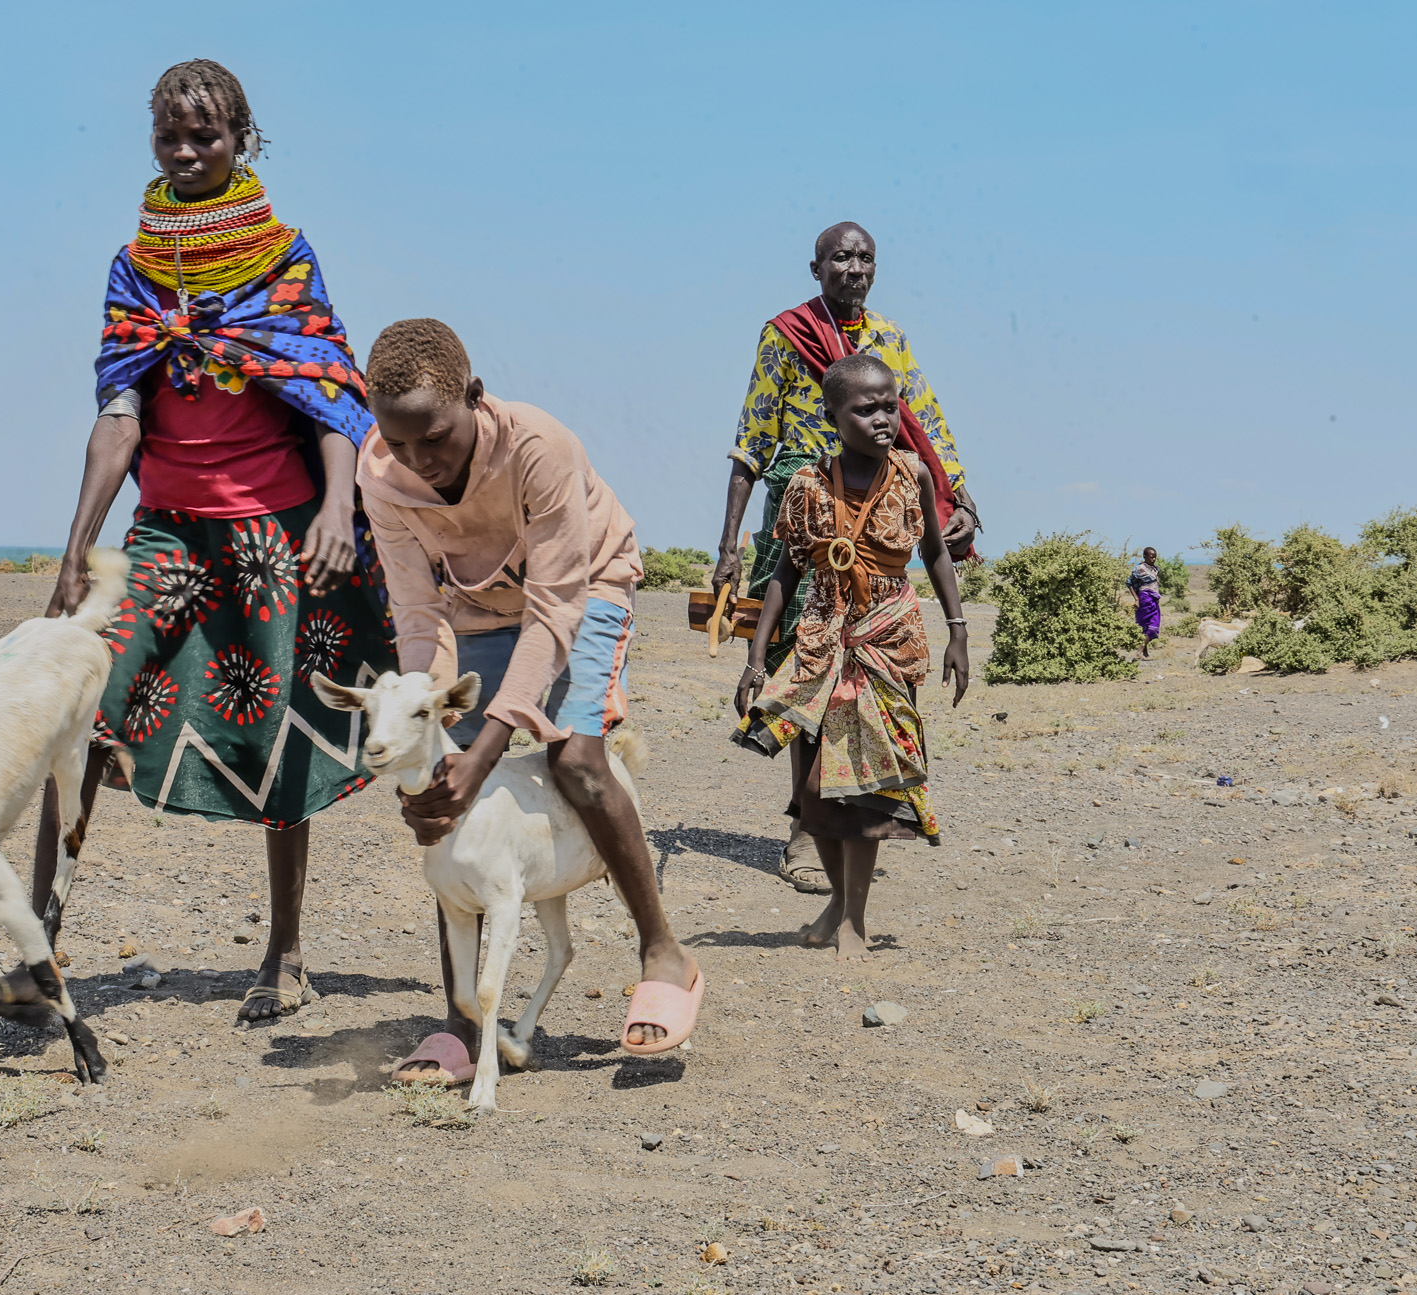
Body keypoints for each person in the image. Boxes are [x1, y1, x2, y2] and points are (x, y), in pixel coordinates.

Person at [0, 59, 397, 1029]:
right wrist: (75, 545)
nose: (187, 149)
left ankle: (285, 954)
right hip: (164, 531)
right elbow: (118, 412)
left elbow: (328, 389)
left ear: (243, 139)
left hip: (272, 531)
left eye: (206, 134)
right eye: (171, 135)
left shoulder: (282, 257)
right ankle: (36, 958)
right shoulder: (135, 269)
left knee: (283, 735)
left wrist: (336, 508)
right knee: (73, 716)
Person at [353, 318, 703, 1077]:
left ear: (474, 399)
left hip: (582, 589)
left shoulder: (538, 449)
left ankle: (663, 951)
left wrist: (486, 750)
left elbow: (553, 612)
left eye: (435, 439)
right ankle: (461, 1019)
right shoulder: (378, 473)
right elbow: (416, 613)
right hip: (472, 609)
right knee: (447, 796)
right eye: (400, 442)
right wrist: (434, 735)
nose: (419, 461)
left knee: (575, 758)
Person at [709, 222, 978, 895]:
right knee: (809, 671)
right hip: (807, 508)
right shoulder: (785, 334)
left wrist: (958, 488)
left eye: (865, 258)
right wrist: (728, 547)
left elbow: (925, 420)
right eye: (840, 257)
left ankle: (863, 816)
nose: (853, 268)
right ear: (816, 266)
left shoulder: (890, 337)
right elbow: (750, 441)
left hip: (881, 509)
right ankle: (805, 828)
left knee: (877, 673)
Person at [732, 353, 969, 959]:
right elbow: (786, 571)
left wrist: (958, 631)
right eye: (866, 409)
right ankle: (838, 901)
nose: (884, 418)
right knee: (820, 792)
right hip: (820, 650)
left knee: (867, 789)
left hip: (887, 644)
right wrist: (756, 660)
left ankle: (855, 923)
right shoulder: (807, 485)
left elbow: (936, 553)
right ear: (833, 414)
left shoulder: (913, 475)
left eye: (890, 406)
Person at [1128, 547, 1163, 659]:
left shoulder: (1155, 569)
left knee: (1151, 625)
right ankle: (1139, 651)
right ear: (1145, 556)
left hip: (1154, 599)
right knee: (1149, 626)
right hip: (1145, 598)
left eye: (1155, 557)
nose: (1153, 559)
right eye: (1151, 557)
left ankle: (1144, 652)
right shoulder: (1140, 568)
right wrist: (1136, 599)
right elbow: (1129, 583)